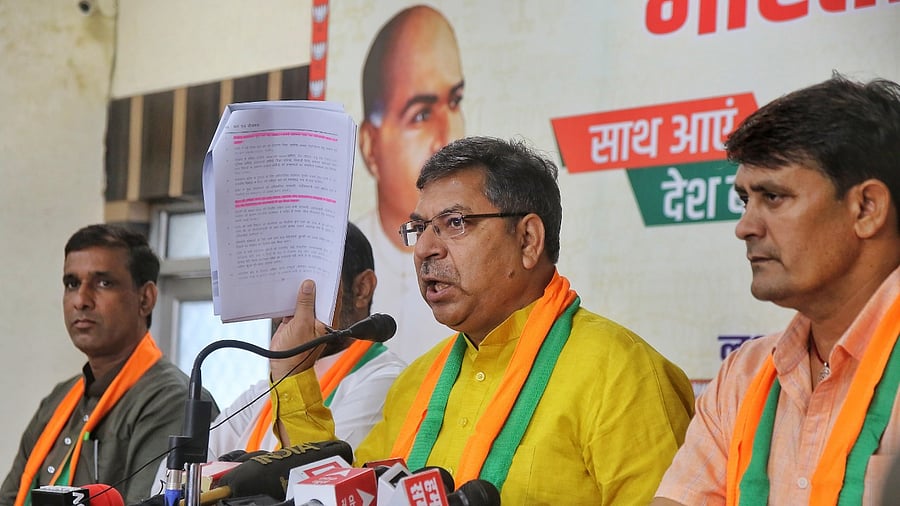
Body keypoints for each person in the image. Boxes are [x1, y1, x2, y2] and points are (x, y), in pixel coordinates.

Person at [269, 136, 695, 504]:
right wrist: (293, 375)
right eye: (420, 228)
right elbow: (348, 495)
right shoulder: (417, 383)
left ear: (528, 239)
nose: (424, 250)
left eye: (454, 223)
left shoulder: (621, 373)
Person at [652, 74, 900, 505]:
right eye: (744, 200)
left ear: (866, 208)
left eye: (773, 197)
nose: (745, 227)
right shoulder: (742, 376)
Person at [149, 222, 407, 494]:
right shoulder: (262, 392)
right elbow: (173, 480)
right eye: (280, 283)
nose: (287, 302)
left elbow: (325, 483)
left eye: (306, 283)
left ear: (362, 288)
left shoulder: (385, 380)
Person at [0, 224, 219, 506]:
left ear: (145, 298)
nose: (81, 300)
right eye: (72, 284)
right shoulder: (58, 400)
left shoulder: (173, 401)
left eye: (103, 283)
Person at [356, 5, 465, 363]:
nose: (449, 135)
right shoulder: (335, 265)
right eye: (421, 114)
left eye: (455, 102)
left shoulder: (484, 257)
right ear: (371, 147)